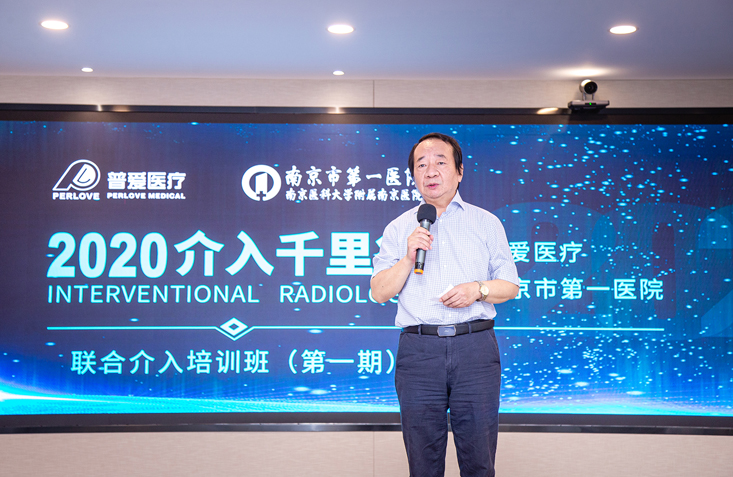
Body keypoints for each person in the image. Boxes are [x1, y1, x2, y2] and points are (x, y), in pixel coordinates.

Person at [371, 132, 519, 477]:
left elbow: (510, 285)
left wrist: (478, 289)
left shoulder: (486, 222)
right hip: (419, 352)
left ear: (460, 171)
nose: (431, 171)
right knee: (423, 463)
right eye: (421, 165)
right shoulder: (399, 228)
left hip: (475, 349)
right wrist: (408, 257)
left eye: (440, 162)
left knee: (479, 461)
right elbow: (379, 291)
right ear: (413, 175)